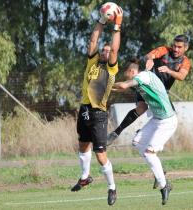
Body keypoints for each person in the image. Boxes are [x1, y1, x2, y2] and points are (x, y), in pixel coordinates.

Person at [70, 3, 123, 206]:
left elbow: (115, 47)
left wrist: (116, 26)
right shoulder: (93, 62)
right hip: (84, 109)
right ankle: (85, 177)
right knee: (83, 145)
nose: (105, 51)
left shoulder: (111, 68)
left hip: (99, 113)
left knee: (100, 155)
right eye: (104, 50)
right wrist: (101, 21)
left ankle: (112, 188)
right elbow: (93, 40)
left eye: (108, 51)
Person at [112, 58, 178, 205]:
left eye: (126, 73)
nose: (126, 76)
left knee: (149, 153)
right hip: (157, 119)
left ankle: (164, 185)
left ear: (131, 71)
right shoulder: (140, 81)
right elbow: (123, 89)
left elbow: (122, 86)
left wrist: (104, 85)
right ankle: (159, 171)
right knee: (137, 142)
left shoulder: (143, 76)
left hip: (168, 121)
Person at [107, 34, 191, 145]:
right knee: (142, 107)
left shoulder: (185, 61)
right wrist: (150, 59)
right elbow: (150, 55)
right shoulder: (164, 49)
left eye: (179, 47)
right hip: (147, 84)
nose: (175, 49)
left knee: (169, 118)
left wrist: (169, 71)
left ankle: (143, 133)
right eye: (174, 46)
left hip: (161, 93)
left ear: (186, 48)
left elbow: (181, 76)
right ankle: (116, 133)